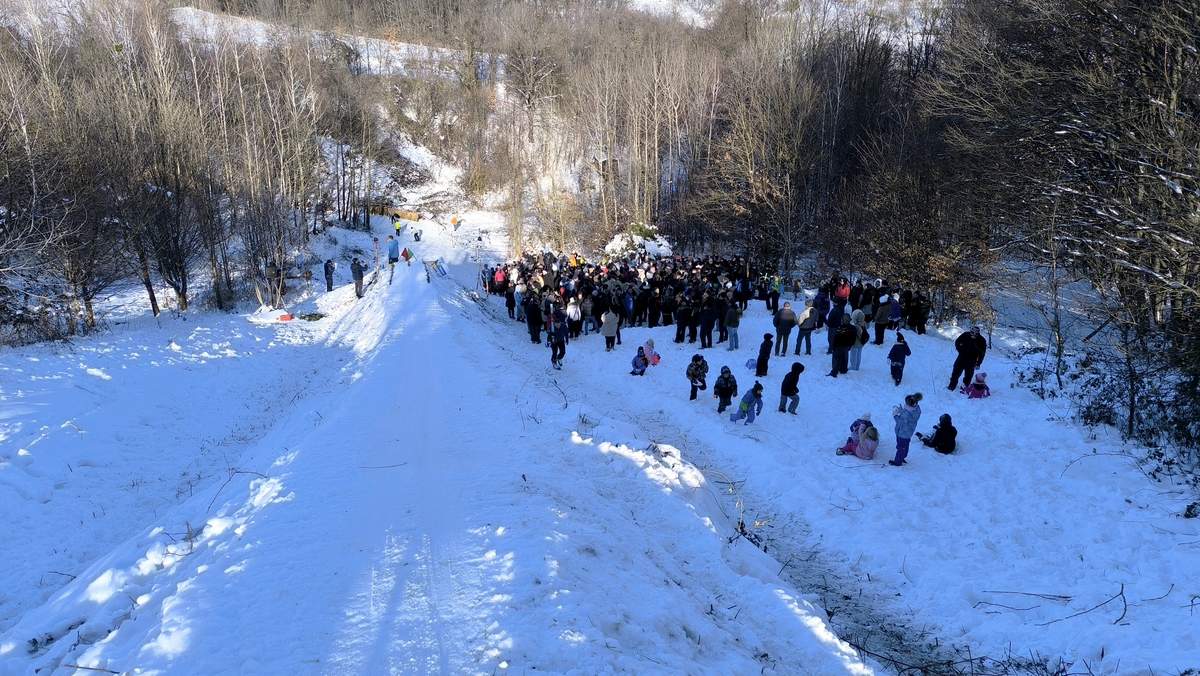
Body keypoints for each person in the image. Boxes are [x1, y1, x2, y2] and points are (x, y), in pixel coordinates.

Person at [890, 392, 923, 466]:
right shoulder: (916, 410)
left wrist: (895, 415)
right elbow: (907, 414)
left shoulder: (907, 414)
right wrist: (901, 410)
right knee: (905, 446)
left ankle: (898, 461)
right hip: (908, 433)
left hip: (902, 432)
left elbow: (900, 422)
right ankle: (902, 456)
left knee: (900, 447)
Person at [949, 326, 987, 391]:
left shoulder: (982, 340)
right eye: (972, 332)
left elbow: (982, 353)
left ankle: (965, 387)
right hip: (962, 357)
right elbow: (957, 342)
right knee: (955, 372)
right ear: (970, 331)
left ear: (978, 333)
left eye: (976, 333)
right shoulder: (965, 335)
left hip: (972, 360)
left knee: (968, 375)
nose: (973, 334)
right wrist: (960, 350)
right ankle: (952, 385)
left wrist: (978, 363)